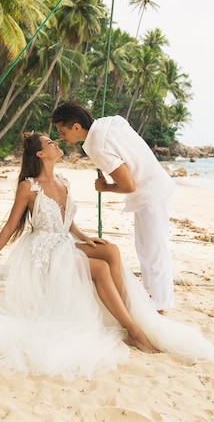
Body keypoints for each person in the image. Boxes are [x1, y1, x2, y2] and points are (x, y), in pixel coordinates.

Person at [0, 132, 214, 381]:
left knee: (110, 250)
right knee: (100, 270)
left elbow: (68, 221)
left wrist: (84, 237)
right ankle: (133, 330)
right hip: (42, 253)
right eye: (50, 142)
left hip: (64, 242)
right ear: (40, 153)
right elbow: (11, 226)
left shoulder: (63, 181)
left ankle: (125, 313)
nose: (55, 143)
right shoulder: (29, 186)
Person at [52, 102, 175, 313]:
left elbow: (129, 185)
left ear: (76, 127)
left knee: (153, 251)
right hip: (154, 186)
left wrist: (106, 187)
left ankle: (160, 305)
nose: (61, 138)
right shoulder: (109, 123)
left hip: (150, 193)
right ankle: (154, 298)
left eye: (62, 132)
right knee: (147, 249)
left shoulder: (98, 146)